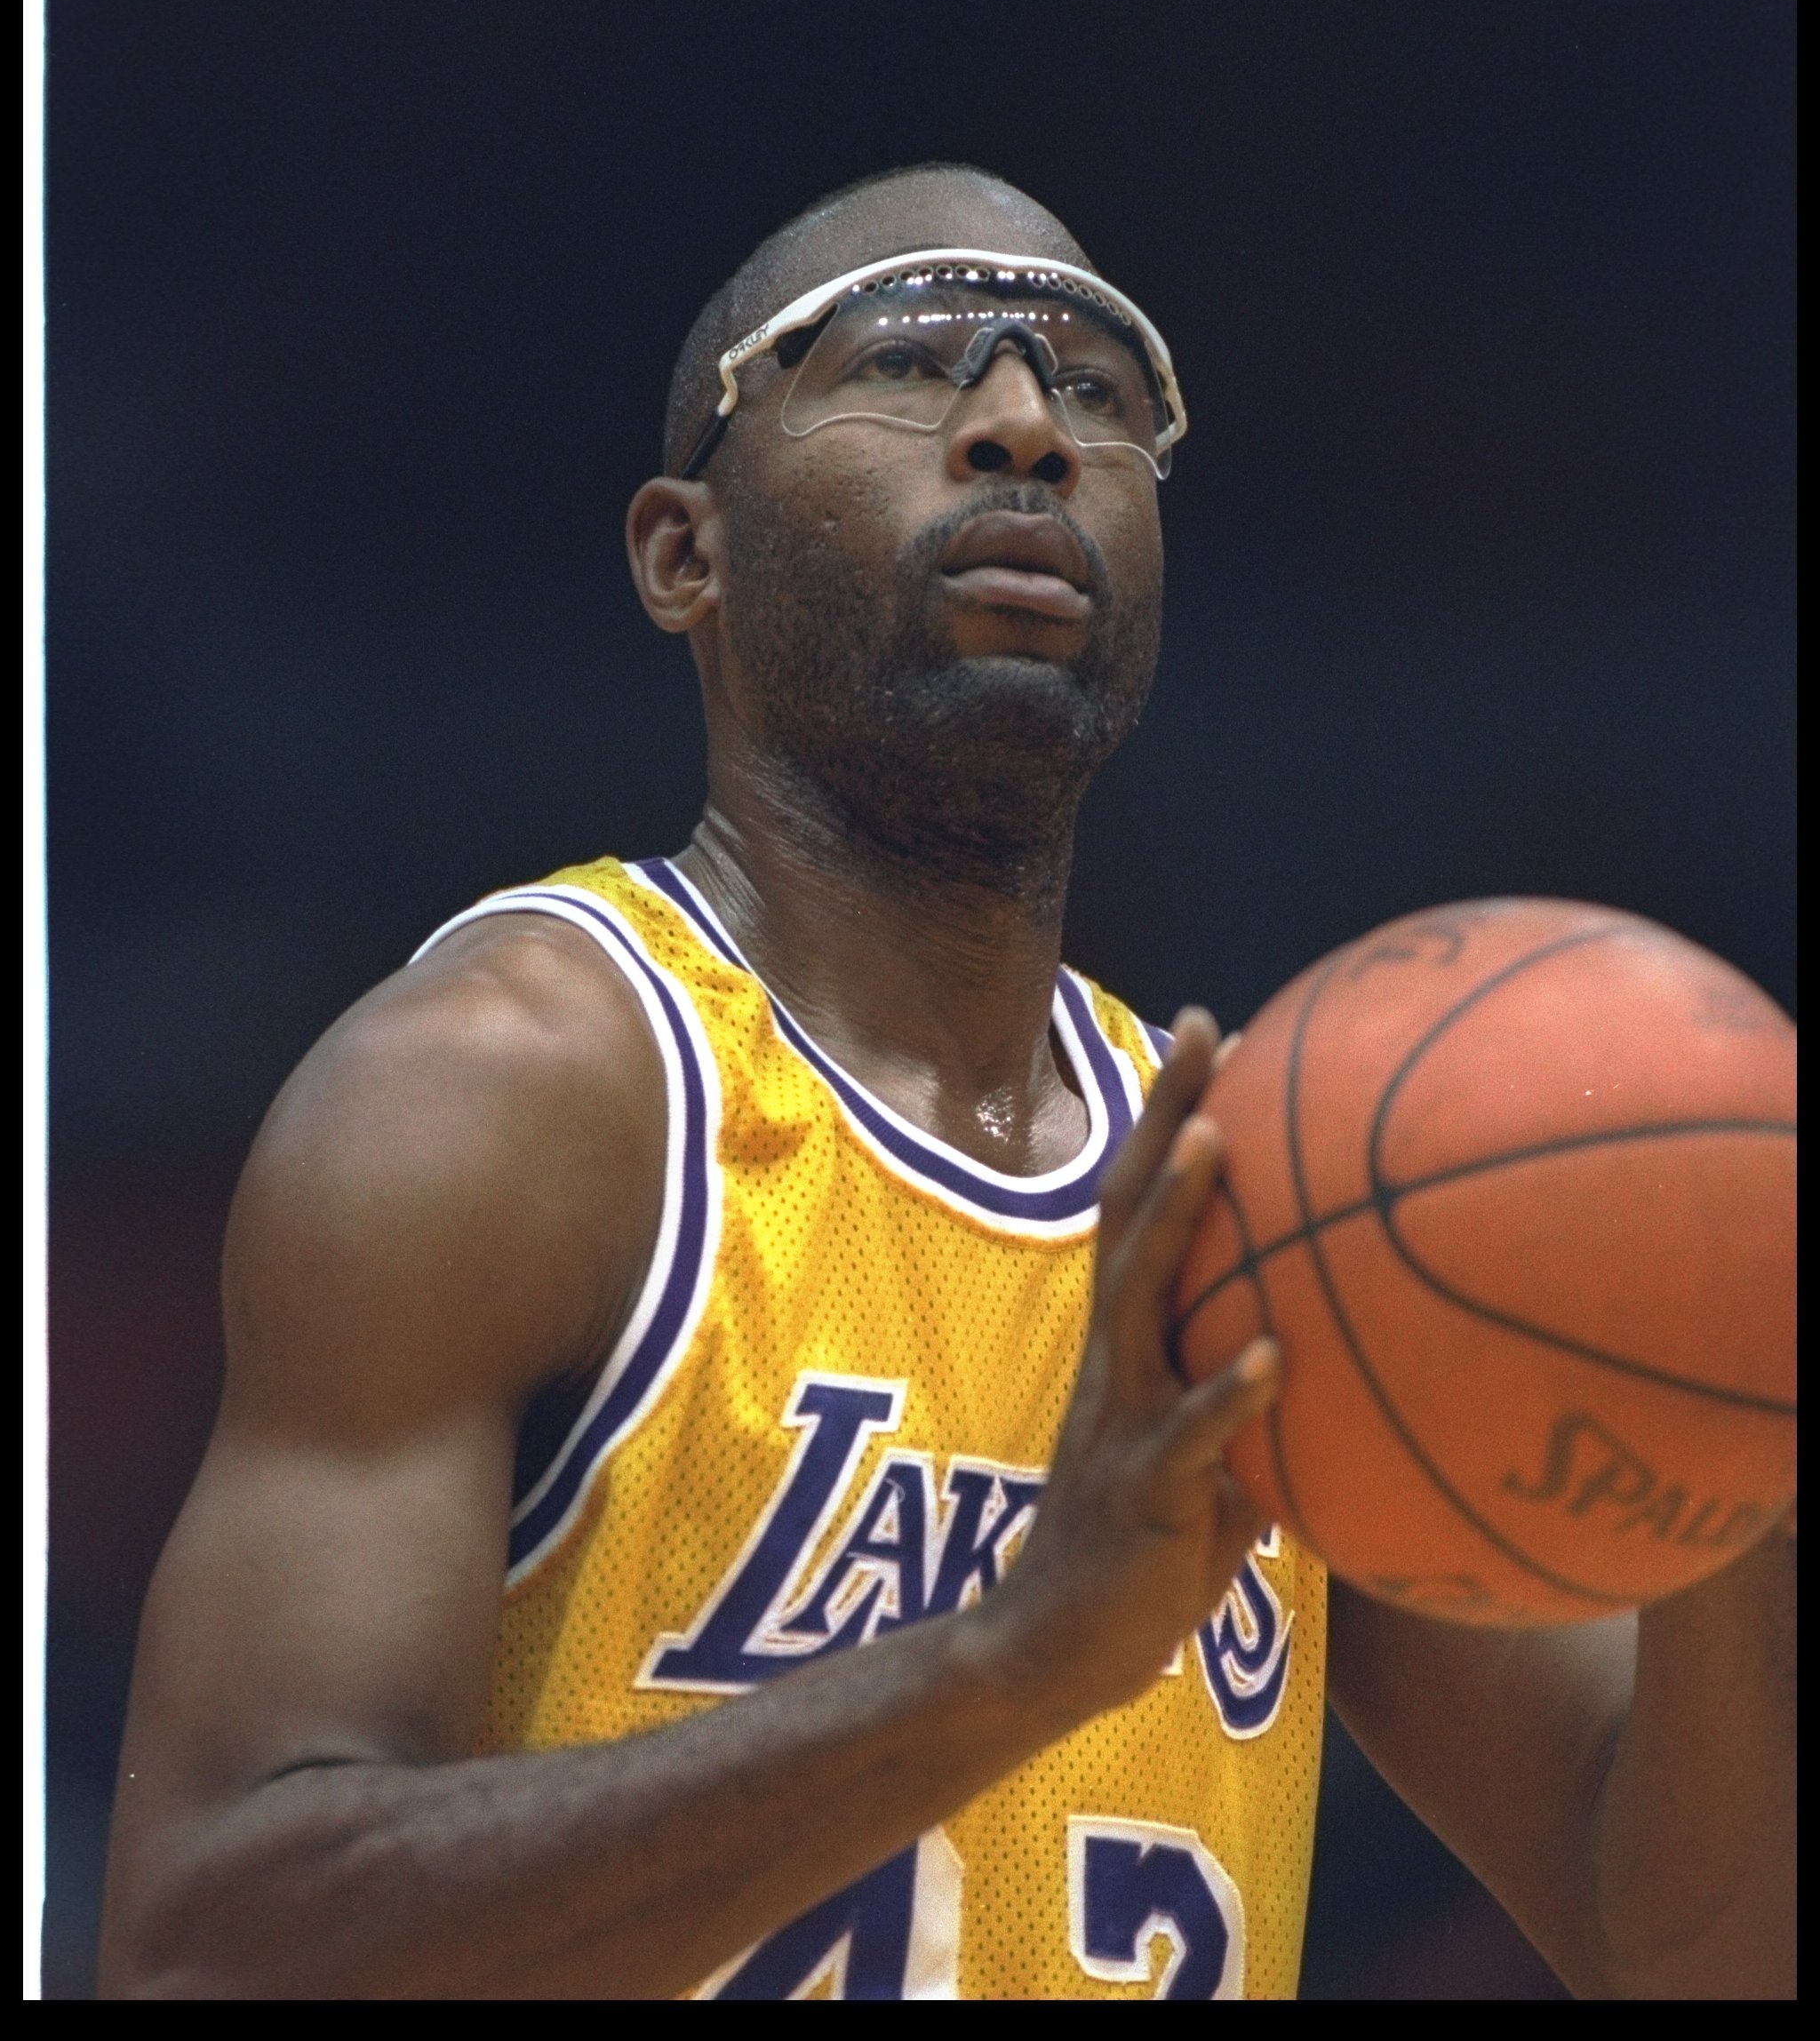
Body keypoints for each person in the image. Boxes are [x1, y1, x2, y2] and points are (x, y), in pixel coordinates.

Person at [98, 164, 1794, 2001]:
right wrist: (1006, 1660)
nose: (1020, 429)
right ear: (688, 553)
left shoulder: (1261, 1207)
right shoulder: (512, 1095)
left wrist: (1730, 1423)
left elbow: (1686, 1952)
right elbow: (212, 1950)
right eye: (905, 364)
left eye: (1098, 390)